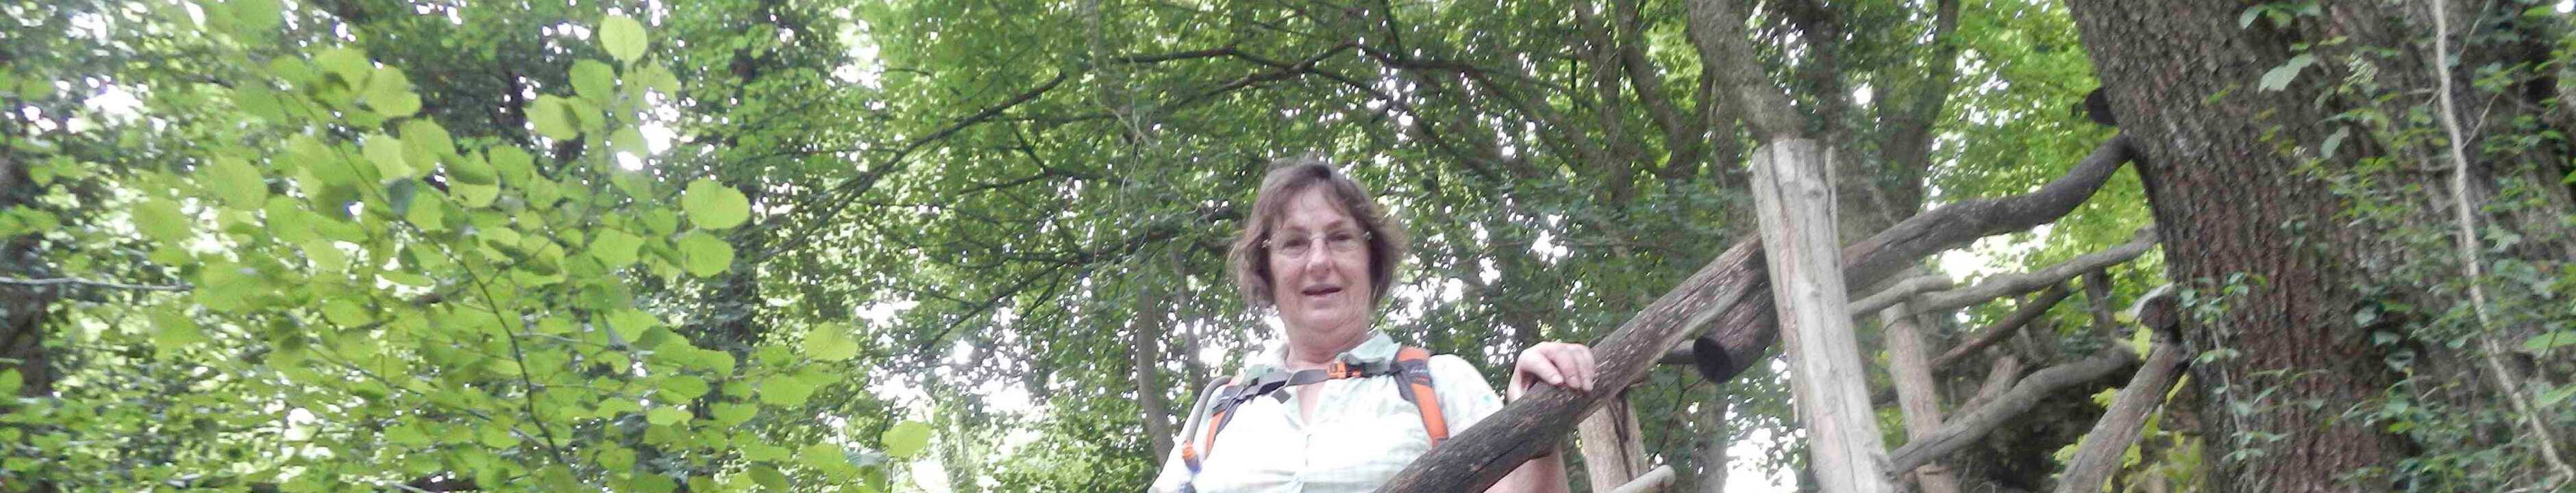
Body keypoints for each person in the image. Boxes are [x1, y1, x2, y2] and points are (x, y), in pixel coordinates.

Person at [1149, 158, 1597, 493]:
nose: (1319, 261)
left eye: (1340, 238)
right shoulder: (1220, 408)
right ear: (1266, 269)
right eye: (1294, 243)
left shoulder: (1442, 383)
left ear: (1371, 260)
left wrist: (1533, 422)